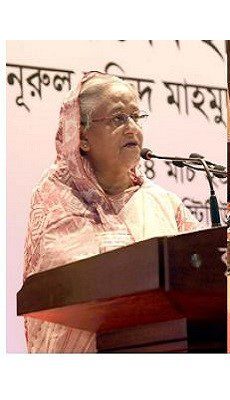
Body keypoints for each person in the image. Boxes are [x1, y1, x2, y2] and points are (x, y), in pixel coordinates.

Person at [22, 72, 200, 353]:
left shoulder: (164, 202)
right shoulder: (55, 197)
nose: (132, 128)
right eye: (118, 118)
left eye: (136, 117)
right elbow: (61, 285)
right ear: (82, 137)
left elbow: (202, 273)